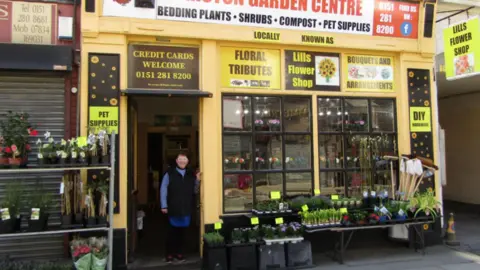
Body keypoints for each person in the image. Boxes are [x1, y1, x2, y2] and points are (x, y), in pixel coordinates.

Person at [160, 152, 201, 263]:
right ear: (177, 161)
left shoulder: (190, 174)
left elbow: (195, 191)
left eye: (184, 159)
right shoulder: (169, 173)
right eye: (180, 159)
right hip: (173, 207)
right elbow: (163, 189)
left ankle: (180, 253)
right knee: (171, 233)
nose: (182, 161)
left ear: (187, 161)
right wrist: (164, 205)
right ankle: (169, 254)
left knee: (183, 233)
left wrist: (197, 180)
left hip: (186, 207)